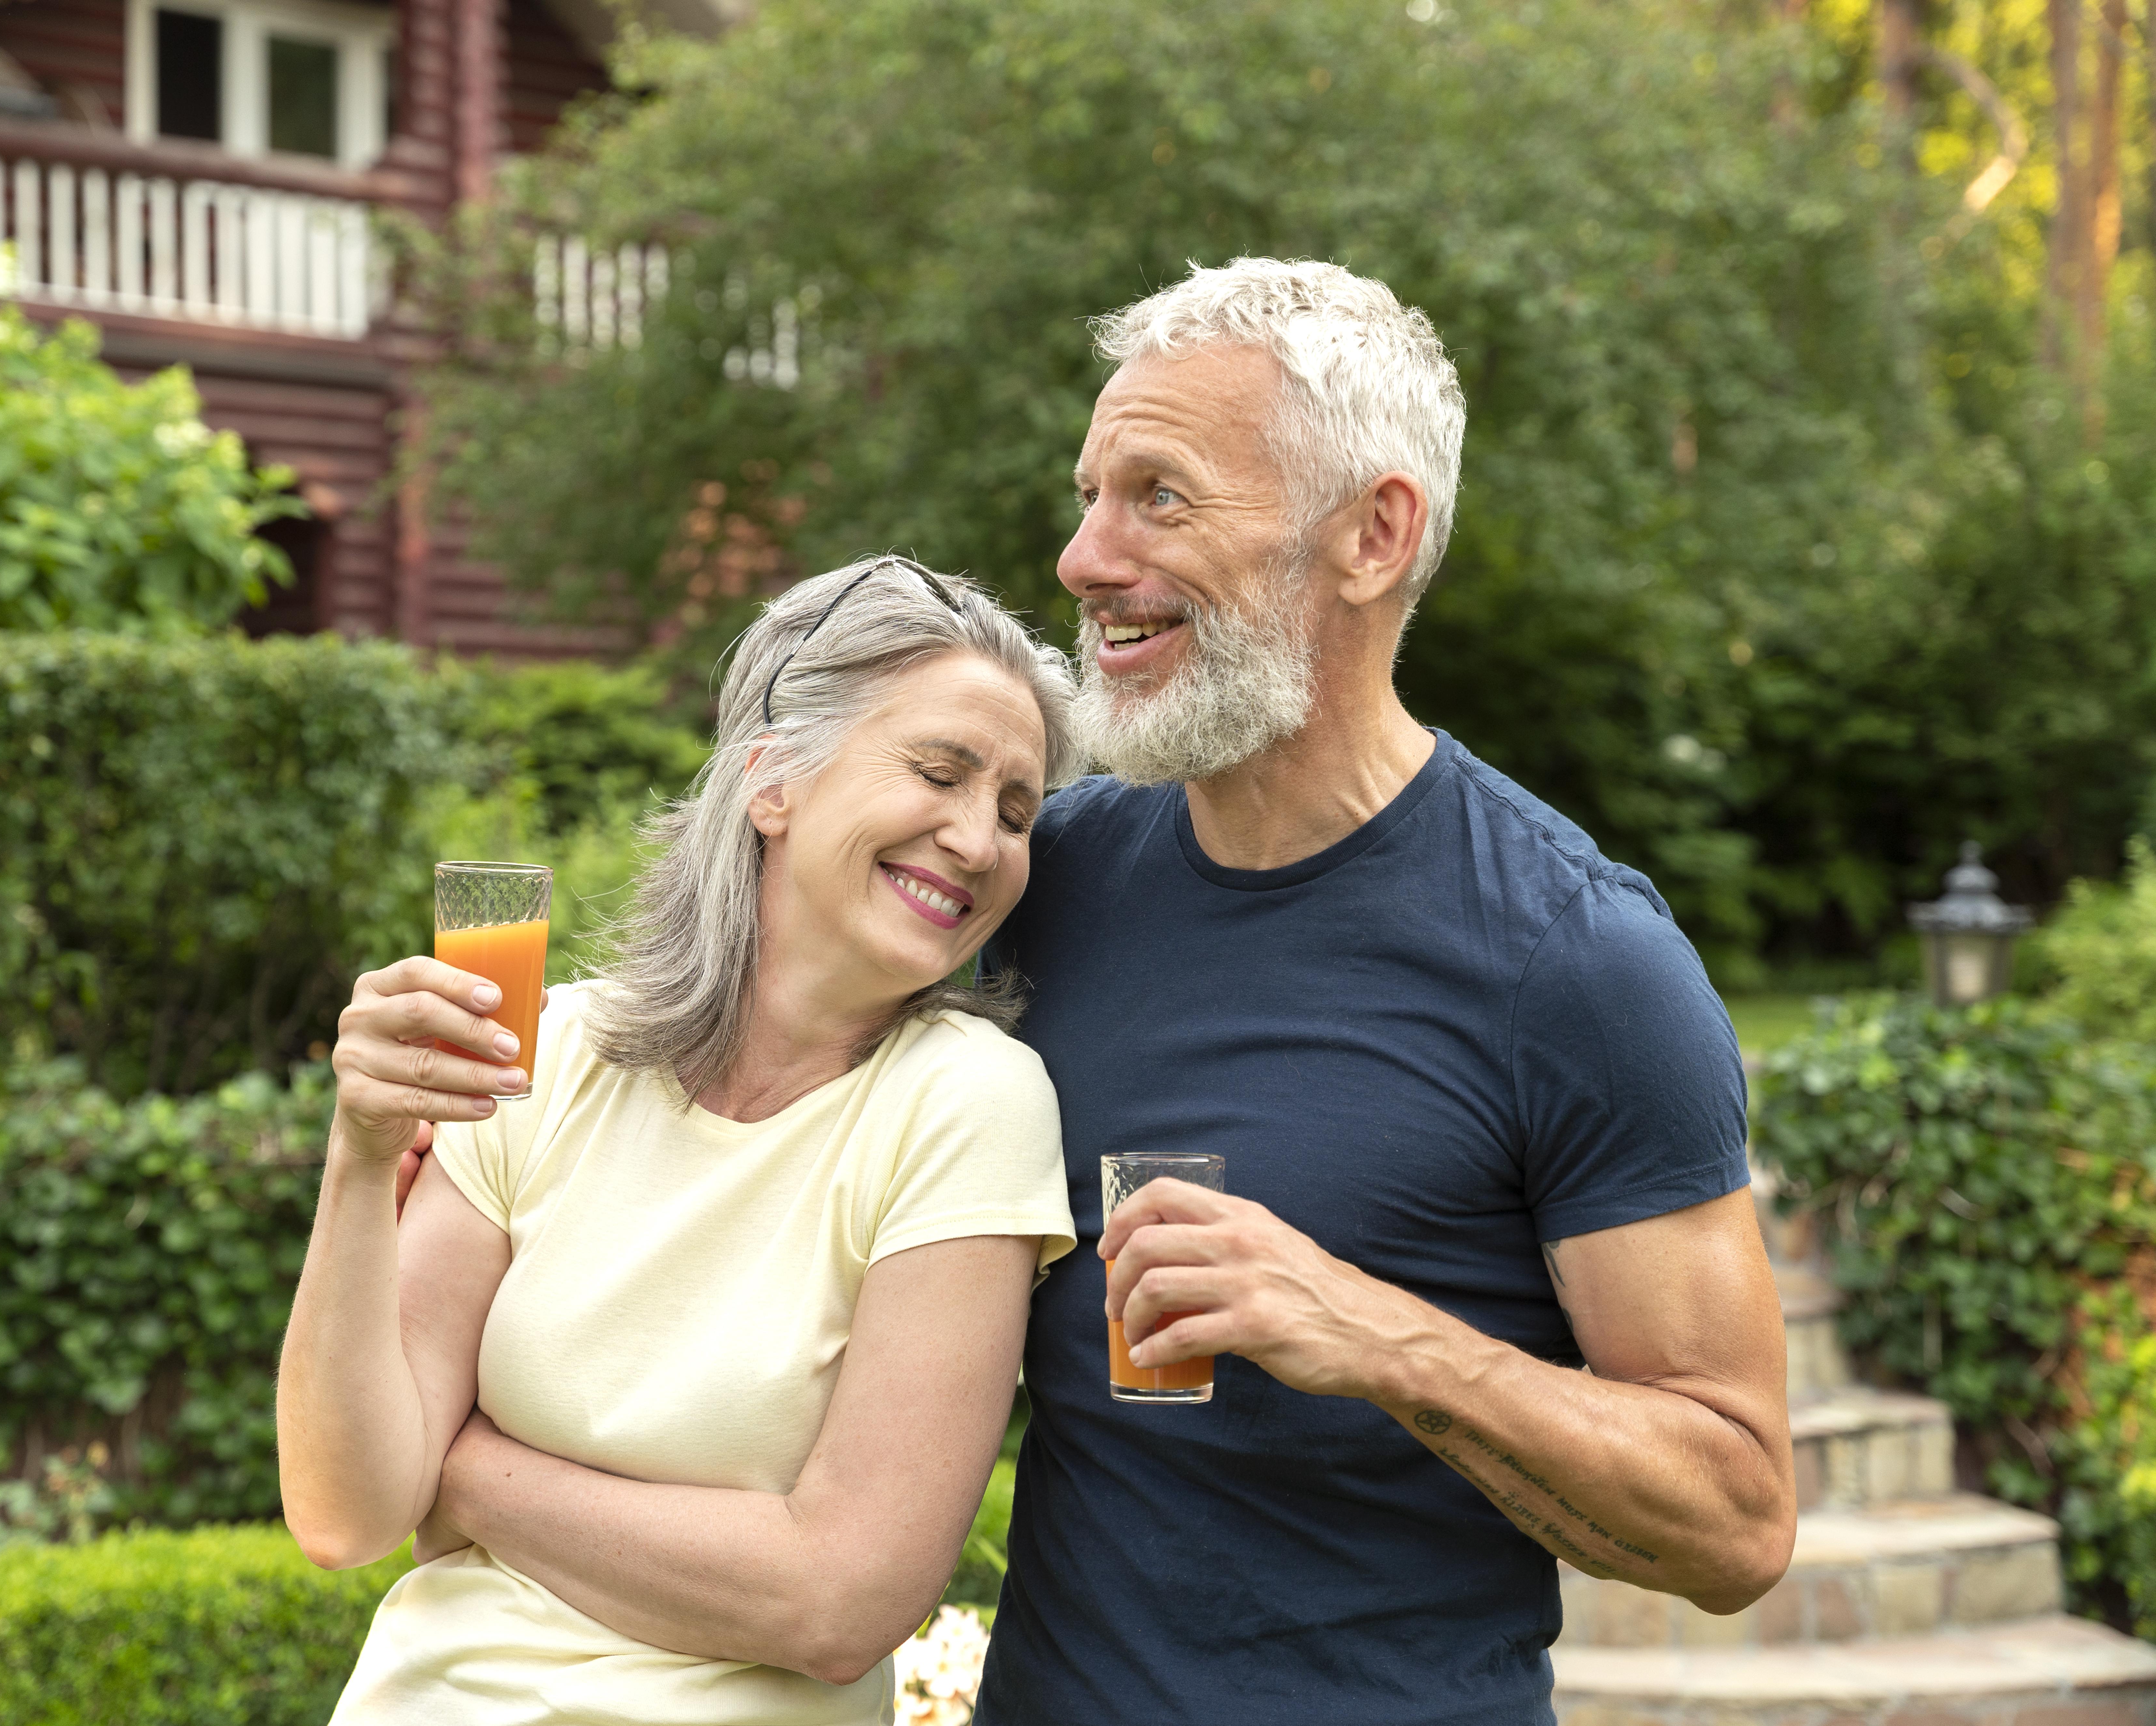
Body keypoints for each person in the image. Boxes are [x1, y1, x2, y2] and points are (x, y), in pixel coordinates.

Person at [973, 259, 1797, 1725]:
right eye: (1090, 494)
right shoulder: (1048, 880)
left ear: (1373, 533)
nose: (1083, 557)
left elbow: (1735, 1521)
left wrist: (1375, 1336)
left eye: (1160, 497)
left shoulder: (1577, 961)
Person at [276, 557, 1083, 1726]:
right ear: (772, 781)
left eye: (1016, 812)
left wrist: (468, 1473)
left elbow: (838, 1602)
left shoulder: (968, 1106)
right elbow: (346, 1515)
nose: (978, 840)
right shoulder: (543, 1051)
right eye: (938, 773)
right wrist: (360, 1158)